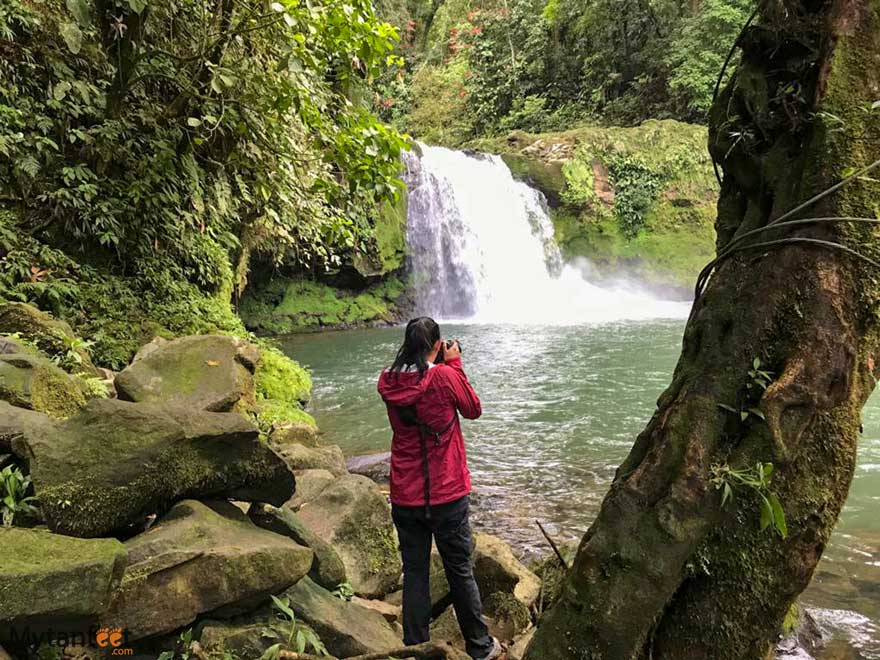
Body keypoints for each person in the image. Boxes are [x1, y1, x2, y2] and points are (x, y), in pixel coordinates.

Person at [377, 317, 501, 660]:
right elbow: (473, 409)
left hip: (406, 492)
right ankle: (480, 646)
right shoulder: (445, 376)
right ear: (436, 345)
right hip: (446, 491)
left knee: (415, 572)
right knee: (460, 570)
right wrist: (456, 363)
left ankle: (416, 648)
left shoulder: (387, 379)